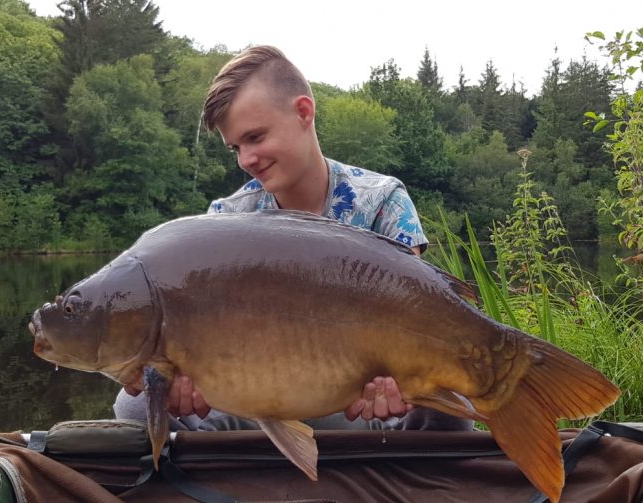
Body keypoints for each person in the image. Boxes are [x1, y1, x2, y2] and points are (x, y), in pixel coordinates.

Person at [114, 45, 471, 432]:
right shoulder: (226, 220)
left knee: (453, 407)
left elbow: (418, 313)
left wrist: (398, 385)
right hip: (257, 402)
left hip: (356, 403)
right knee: (136, 405)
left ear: (304, 112)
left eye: (255, 137)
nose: (246, 159)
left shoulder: (383, 200)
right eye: (236, 147)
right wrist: (185, 381)